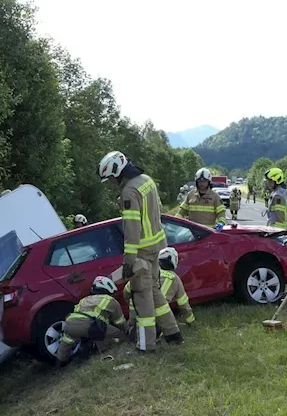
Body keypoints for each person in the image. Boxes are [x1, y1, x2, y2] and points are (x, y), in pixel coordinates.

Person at [98, 151, 182, 352]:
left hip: (142, 252)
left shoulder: (128, 192)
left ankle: (146, 346)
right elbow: (157, 210)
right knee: (154, 290)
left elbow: (132, 229)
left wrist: (129, 260)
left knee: (142, 296)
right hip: (158, 247)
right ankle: (173, 333)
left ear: (117, 172)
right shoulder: (146, 180)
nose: (110, 182)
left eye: (110, 177)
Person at [54, 276, 127, 366]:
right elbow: (119, 322)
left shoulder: (84, 299)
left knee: (67, 340)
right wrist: (126, 333)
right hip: (90, 326)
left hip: (69, 324)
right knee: (113, 333)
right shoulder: (110, 300)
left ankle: (60, 362)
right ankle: (102, 350)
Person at [125, 247, 196, 326]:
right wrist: (191, 321)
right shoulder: (173, 278)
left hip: (136, 314)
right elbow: (183, 304)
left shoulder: (145, 272)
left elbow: (126, 292)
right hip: (155, 319)